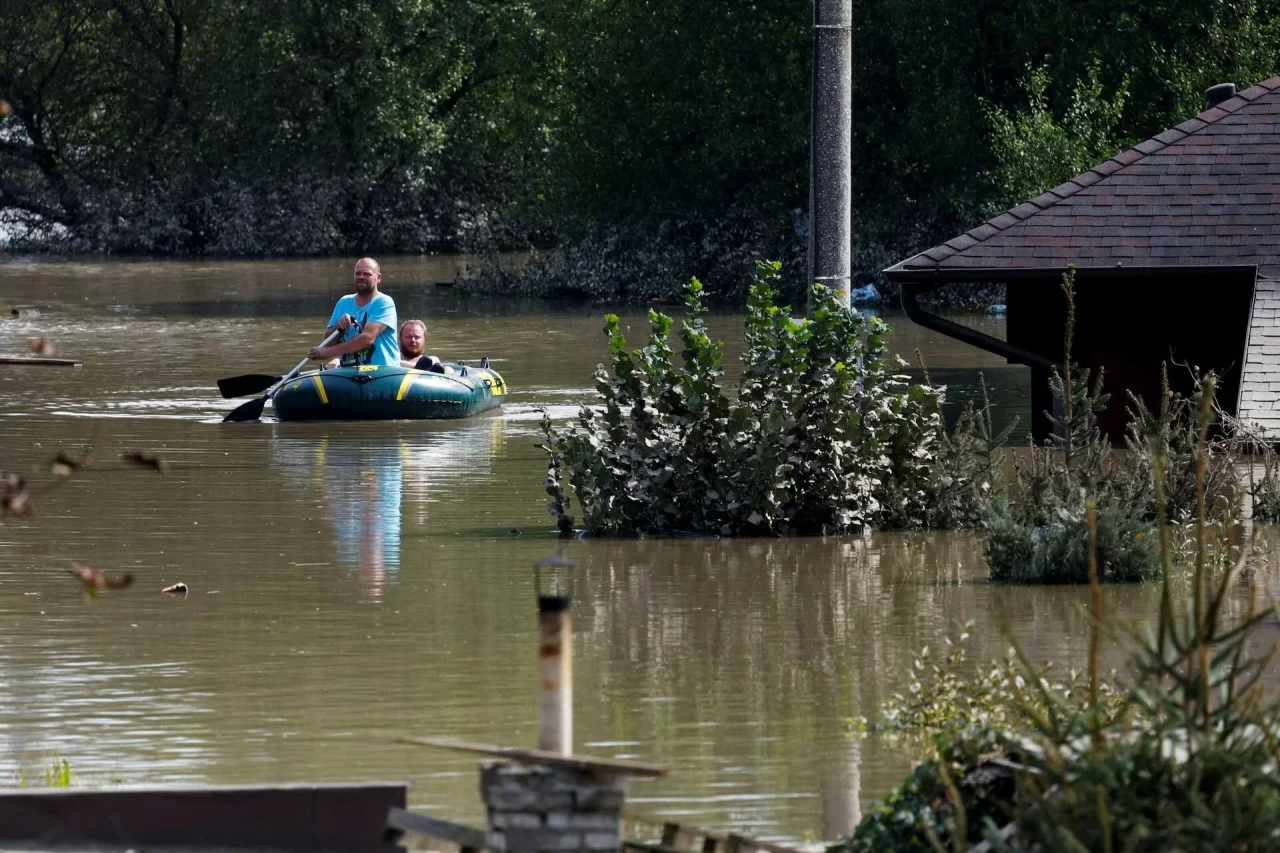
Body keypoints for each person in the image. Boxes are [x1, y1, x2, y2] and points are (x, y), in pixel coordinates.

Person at [308, 257, 399, 367]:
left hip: (381, 372)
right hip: (349, 374)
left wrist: (329, 353)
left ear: (378, 278)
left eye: (366, 274)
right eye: (358, 273)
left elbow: (367, 339)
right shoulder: (343, 302)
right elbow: (328, 342)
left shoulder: (384, 302)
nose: (361, 277)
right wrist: (338, 327)